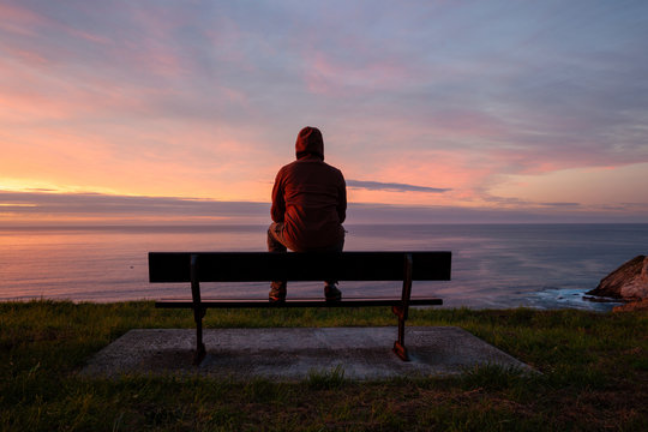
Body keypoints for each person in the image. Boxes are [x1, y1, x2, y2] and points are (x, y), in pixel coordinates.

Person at [267, 126, 347, 303]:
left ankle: (278, 288)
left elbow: (276, 215)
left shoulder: (285, 172)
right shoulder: (336, 174)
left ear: (298, 146)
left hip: (296, 239)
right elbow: (341, 216)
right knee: (339, 230)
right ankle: (330, 286)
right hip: (328, 241)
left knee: (272, 231)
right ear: (321, 147)